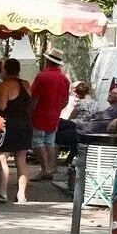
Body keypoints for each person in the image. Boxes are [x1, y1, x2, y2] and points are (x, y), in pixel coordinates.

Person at [0, 58, 32, 204]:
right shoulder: (26, 84)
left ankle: (2, 192)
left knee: (2, 159)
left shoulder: (6, 85)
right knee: (21, 159)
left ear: (5, 70)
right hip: (25, 123)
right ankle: (21, 194)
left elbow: (1, 106)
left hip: (10, 124)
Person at [29, 49, 72, 181]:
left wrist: (30, 112)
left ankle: (44, 169)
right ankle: (51, 167)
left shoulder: (42, 77)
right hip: (54, 114)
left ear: (47, 61)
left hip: (40, 114)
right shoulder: (64, 79)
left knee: (38, 141)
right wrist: (57, 108)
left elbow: (34, 97)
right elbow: (65, 101)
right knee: (50, 141)